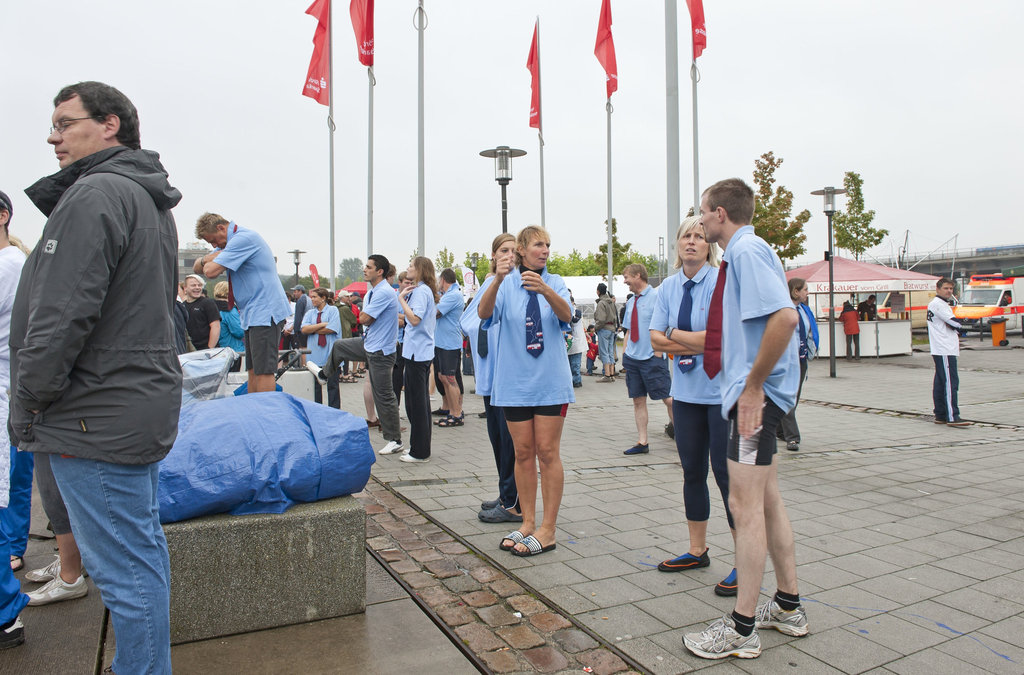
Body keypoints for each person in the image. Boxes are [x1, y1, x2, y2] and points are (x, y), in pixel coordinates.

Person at [11, 81, 181, 672]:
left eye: (65, 123)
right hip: (122, 402)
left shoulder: (96, 193)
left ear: (110, 124)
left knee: (127, 569)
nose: (53, 137)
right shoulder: (140, 195)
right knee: (140, 556)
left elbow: (60, 317)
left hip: (94, 412)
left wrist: (28, 401)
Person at [683, 178, 806, 660]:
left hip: (754, 404)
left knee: (744, 506)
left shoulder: (748, 251)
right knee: (767, 501)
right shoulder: (748, 252)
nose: (699, 222)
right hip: (759, 398)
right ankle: (789, 606)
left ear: (719, 213)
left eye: (702, 214)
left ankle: (742, 627)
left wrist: (754, 386)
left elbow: (786, 318)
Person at [649, 215, 736, 595]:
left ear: (709, 245)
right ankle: (697, 549)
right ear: (677, 244)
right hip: (685, 396)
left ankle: (743, 561)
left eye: (700, 236)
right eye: (686, 235)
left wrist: (674, 335)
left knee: (727, 477)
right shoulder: (667, 287)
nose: (692, 241)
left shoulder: (722, 282)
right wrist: (694, 340)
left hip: (719, 396)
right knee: (692, 473)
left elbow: (720, 341)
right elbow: (654, 341)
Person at [478, 225, 574, 558]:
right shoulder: (504, 283)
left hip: (549, 382)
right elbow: (484, 314)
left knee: (547, 451)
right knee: (522, 452)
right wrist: (499, 280)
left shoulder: (556, 281)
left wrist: (546, 290)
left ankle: (549, 529)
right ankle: (528, 522)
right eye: (538, 245)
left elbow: (568, 316)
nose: (545, 250)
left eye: (548, 244)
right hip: (515, 383)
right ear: (521, 249)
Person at [308, 255, 404, 454]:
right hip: (368, 344)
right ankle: (324, 375)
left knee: (383, 394)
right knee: (340, 346)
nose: (364, 269)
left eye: (369, 267)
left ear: (380, 271)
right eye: (365, 266)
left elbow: (364, 318)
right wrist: (363, 315)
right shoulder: (373, 292)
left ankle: (394, 439)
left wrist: (363, 315)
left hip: (380, 351)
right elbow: (362, 318)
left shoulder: (384, 292)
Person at [194, 213, 290, 394]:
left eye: (213, 240)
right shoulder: (232, 244)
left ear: (222, 228)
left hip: (264, 312)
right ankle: (255, 411)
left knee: (264, 372)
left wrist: (211, 258)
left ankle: (265, 415)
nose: (214, 246)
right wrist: (212, 256)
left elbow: (210, 272)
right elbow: (197, 267)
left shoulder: (243, 239)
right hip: (253, 314)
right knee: (253, 371)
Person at [462, 234, 523, 524]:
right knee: (498, 440)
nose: (509, 255)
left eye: (513, 250)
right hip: (490, 373)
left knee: (512, 443)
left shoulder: (521, 282)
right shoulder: (492, 282)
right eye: (503, 250)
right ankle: (505, 492)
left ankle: (514, 500)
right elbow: (471, 320)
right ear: (494, 255)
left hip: (508, 375)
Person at [0, 190, 29, 649]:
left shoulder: (9, 266)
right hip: (16, 394)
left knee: (10, 488)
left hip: (9, 391)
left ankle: (6, 609)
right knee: (15, 483)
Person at [620, 264, 673, 455]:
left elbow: (667, 325)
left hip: (652, 357)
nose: (624, 281)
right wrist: (625, 355)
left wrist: (659, 352)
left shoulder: (657, 297)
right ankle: (643, 442)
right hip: (633, 359)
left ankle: (683, 437)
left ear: (638, 275)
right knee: (638, 400)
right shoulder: (632, 302)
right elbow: (628, 330)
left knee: (668, 399)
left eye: (626, 276)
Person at [396, 257, 439, 462]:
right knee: (415, 402)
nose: (408, 268)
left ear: (420, 270)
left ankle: (420, 451)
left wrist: (401, 300)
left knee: (418, 403)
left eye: (411, 266)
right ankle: (419, 447)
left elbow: (414, 319)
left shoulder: (421, 291)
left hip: (418, 352)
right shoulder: (423, 290)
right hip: (417, 351)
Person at [779, 278, 819, 451]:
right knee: (789, 398)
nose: (807, 293)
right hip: (786, 360)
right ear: (796, 291)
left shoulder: (804, 310)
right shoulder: (783, 310)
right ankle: (792, 437)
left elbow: (810, 332)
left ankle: (779, 430)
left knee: (794, 398)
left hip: (801, 359)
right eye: (805, 289)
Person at [928, 278, 970, 427]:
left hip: (941, 348)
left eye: (951, 289)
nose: (949, 291)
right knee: (951, 382)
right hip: (944, 348)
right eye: (946, 288)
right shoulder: (939, 305)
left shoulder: (938, 304)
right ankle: (953, 416)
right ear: (938, 289)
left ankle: (940, 414)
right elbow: (954, 323)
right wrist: (965, 325)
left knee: (941, 381)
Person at [434, 268, 465, 427]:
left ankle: (457, 413)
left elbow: (435, 313)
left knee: (450, 378)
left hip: (449, 343)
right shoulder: (448, 295)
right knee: (442, 377)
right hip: (442, 342)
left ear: (443, 280)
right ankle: (452, 410)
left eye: (439, 280)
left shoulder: (453, 295)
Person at [182, 273, 221, 350]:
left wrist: (210, 348)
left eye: (199, 285)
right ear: (185, 288)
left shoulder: (208, 303)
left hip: (206, 350)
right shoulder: (182, 306)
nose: (197, 288)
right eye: (193, 285)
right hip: (188, 350)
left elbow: (216, 326)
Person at [214, 281, 244, 371]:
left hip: (216, 349)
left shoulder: (211, 306)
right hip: (232, 349)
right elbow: (239, 331)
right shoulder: (229, 310)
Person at [594, 282, 618, 382]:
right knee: (611, 351)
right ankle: (612, 374)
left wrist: (596, 327)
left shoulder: (601, 303)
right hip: (612, 328)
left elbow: (601, 319)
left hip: (604, 328)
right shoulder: (611, 302)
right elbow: (616, 316)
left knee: (604, 352)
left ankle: (607, 375)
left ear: (598, 291)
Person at [566, 294, 586, 388]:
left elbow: (573, 320)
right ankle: (571, 381)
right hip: (569, 340)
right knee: (569, 364)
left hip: (577, 341)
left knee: (575, 364)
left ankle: (577, 381)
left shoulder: (576, 311)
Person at [289, 285, 310, 354]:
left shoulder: (300, 301)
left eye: (295, 291)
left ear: (300, 291)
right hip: (310, 328)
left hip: (302, 329)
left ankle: (303, 364)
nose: (294, 294)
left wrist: (296, 331)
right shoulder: (309, 299)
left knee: (302, 349)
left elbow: (298, 317)